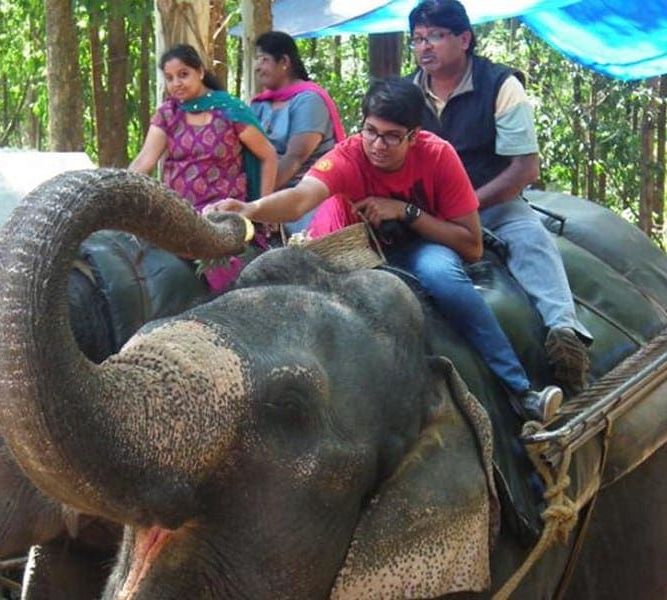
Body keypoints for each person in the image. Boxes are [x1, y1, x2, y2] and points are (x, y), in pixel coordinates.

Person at [208, 76, 562, 423]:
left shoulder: (439, 157)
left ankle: (519, 390)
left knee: (444, 277)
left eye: (393, 137)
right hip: (354, 250)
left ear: (414, 135)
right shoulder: (348, 156)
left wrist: (406, 212)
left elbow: (471, 246)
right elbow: (302, 198)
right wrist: (251, 209)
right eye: (371, 131)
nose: (378, 145)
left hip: (424, 245)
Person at [407, 0, 592, 394]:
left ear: (464, 39)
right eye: (418, 39)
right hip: (429, 215)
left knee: (530, 239)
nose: (425, 47)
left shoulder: (500, 85)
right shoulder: (407, 94)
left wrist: (467, 204)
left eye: (436, 36)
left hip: (492, 203)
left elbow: (524, 169)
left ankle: (564, 335)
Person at [129, 44, 277, 291]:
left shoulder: (230, 111)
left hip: (222, 216)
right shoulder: (168, 114)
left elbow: (268, 155)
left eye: (183, 74)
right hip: (178, 215)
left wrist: (263, 210)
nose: (176, 83)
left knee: (226, 284)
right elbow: (145, 161)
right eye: (169, 78)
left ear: (200, 71)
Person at [250, 31, 346, 234]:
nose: (257, 67)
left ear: (284, 61)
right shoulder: (259, 104)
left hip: (304, 195)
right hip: (264, 192)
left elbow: (295, 158)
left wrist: (260, 203)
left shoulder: (308, 100)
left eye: (263, 59)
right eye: (256, 60)